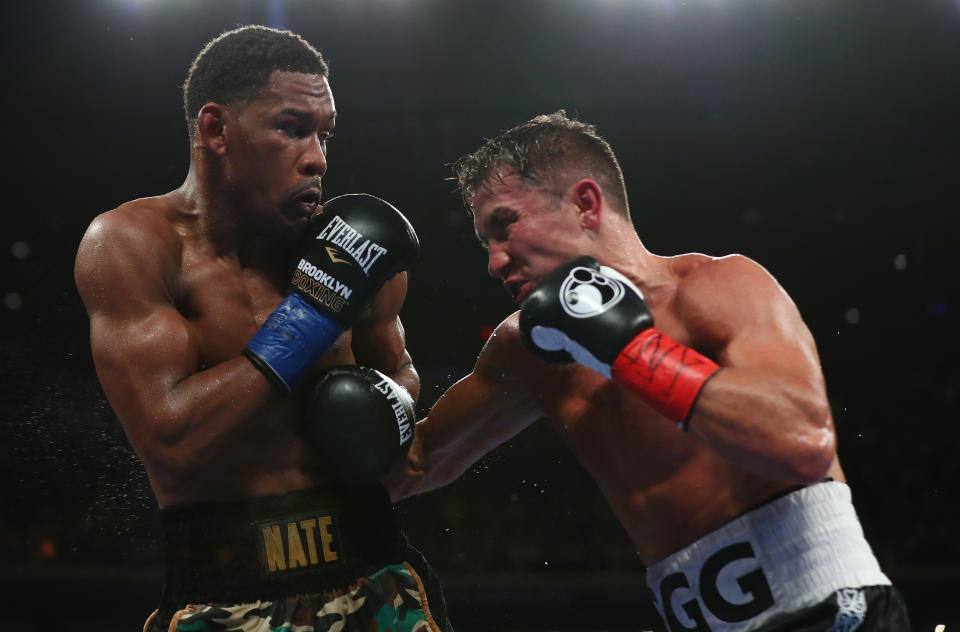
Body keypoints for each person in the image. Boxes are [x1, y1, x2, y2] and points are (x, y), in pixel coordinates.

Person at [385, 111, 911, 631]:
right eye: (486, 243)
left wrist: (627, 348)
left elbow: (803, 442)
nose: (496, 261)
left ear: (586, 204)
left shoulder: (717, 289)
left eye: (506, 225)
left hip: (828, 610)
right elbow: (415, 463)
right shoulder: (526, 350)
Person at [74, 25, 451, 632]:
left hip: (375, 576)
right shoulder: (132, 246)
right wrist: (311, 315)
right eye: (292, 128)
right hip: (223, 594)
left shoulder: (347, 248)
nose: (318, 158)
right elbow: (172, 444)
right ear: (216, 129)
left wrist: (385, 406)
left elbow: (400, 378)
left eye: (325, 133)